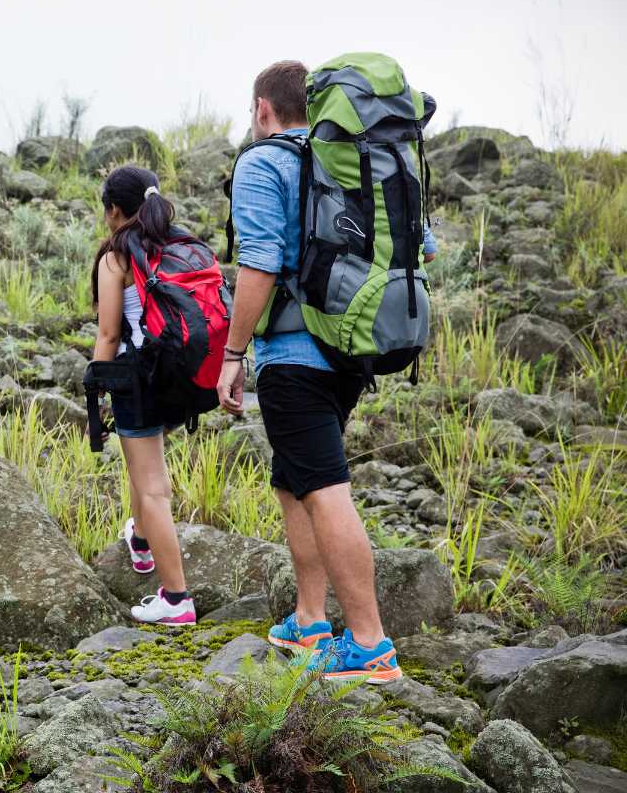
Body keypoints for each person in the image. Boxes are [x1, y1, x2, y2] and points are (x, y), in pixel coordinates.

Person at [217, 61, 437, 682]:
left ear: (263, 108)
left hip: (294, 357)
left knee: (321, 485)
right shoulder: (350, 161)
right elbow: (421, 244)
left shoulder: (264, 163)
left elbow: (257, 266)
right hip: (349, 349)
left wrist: (232, 356)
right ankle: (310, 620)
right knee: (292, 480)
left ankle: (368, 645)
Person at [91, 165, 195, 626]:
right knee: (143, 460)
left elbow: (110, 333)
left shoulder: (117, 257)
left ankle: (176, 598)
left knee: (152, 486)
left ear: (114, 210)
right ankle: (139, 539)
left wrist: (98, 380)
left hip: (137, 373)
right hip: (176, 373)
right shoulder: (175, 245)